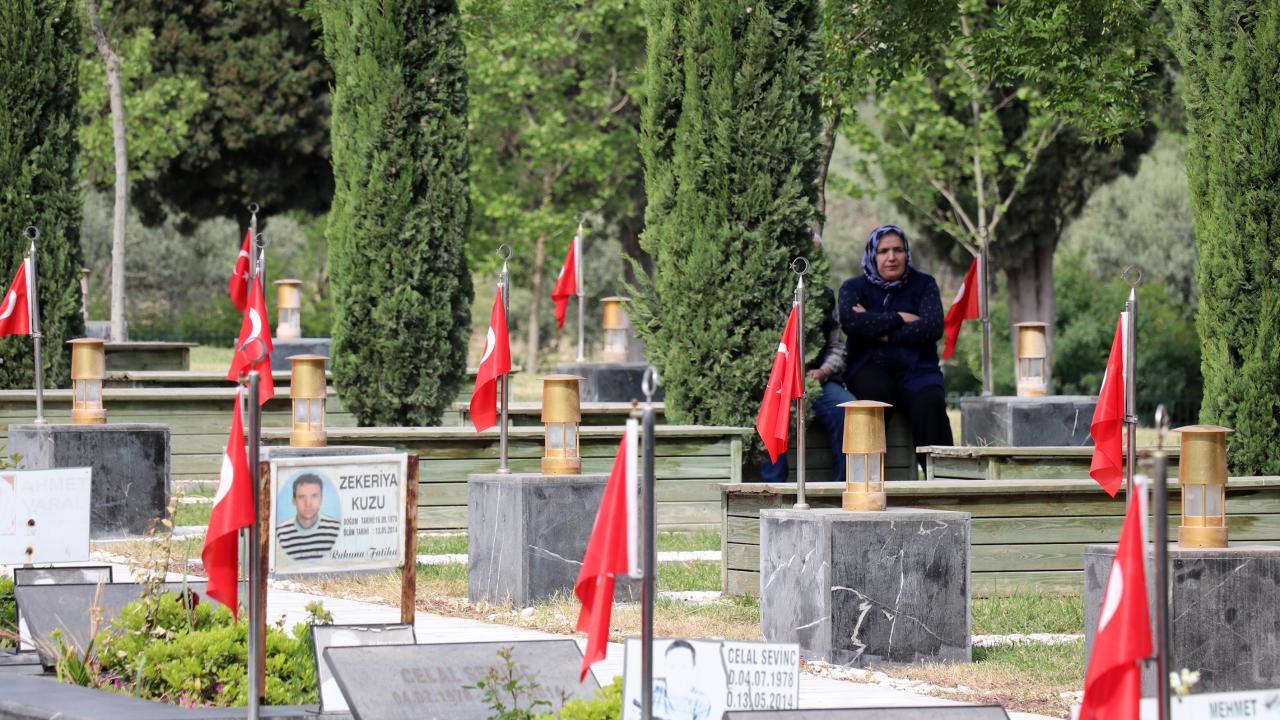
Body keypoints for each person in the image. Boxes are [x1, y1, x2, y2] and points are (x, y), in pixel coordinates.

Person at [839, 225, 954, 474]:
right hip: (869, 365)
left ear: (906, 253)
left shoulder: (924, 284)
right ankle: (865, 481)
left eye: (898, 250)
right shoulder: (853, 288)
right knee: (873, 396)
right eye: (883, 251)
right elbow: (852, 323)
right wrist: (903, 316)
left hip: (918, 369)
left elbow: (932, 328)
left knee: (931, 402)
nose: (891, 257)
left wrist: (879, 328)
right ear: (873, 254)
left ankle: (946, 480)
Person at [760, 287, 857, 483]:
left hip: (817, 379)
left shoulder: (823, 294)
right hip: (776, 381)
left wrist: (824, 371)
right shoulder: (764, 289)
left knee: (848, 410)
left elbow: (837, 346)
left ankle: (843, 489)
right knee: (772, 412)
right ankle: (774, 490)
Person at [277, 473, 341, 561]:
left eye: (314, 496)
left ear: (321, 499)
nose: (308, 504)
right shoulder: (280, 533)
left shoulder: (335, 529)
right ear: (294, 500)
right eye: (302, 497)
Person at [650, 640, 712, 720]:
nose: (677, 672)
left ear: (693, 669)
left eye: (684, 667)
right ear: (665, 668)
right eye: (672, 666)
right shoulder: (651, 689)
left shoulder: (701, 702)